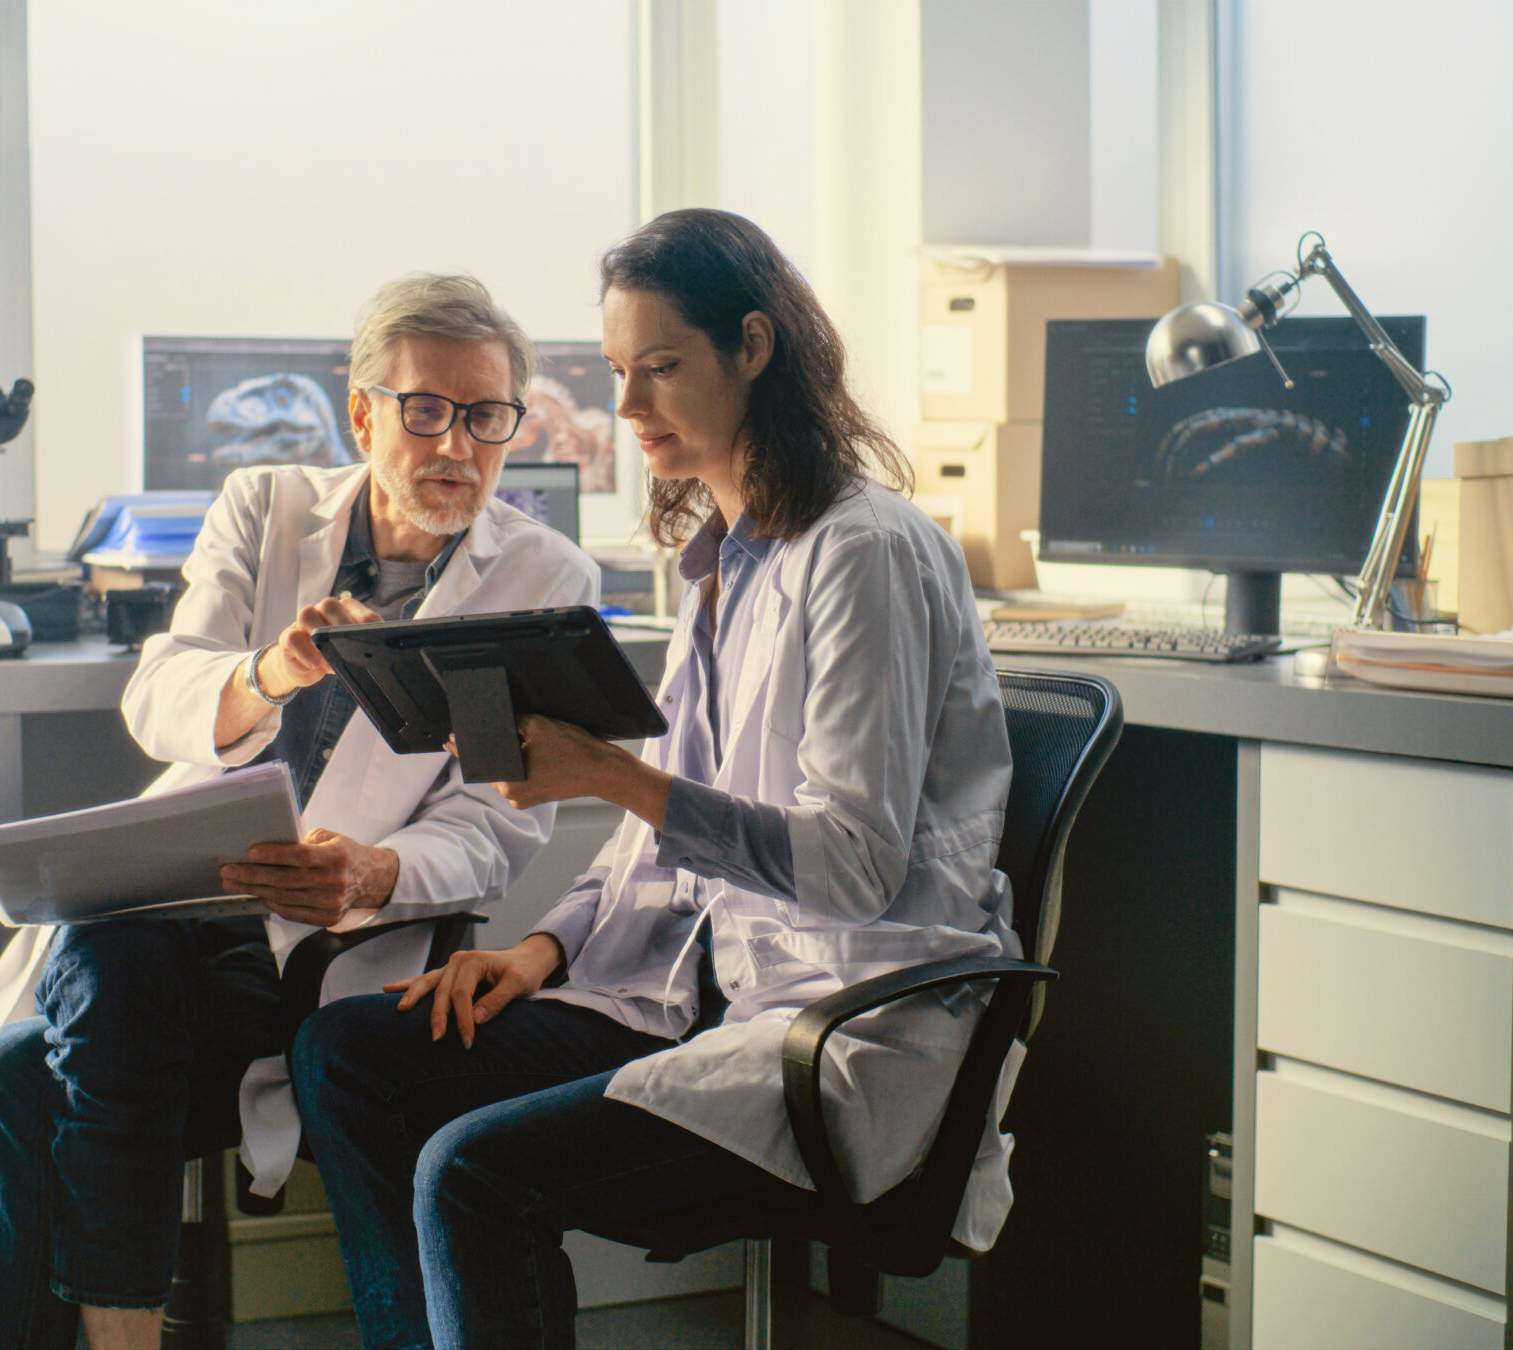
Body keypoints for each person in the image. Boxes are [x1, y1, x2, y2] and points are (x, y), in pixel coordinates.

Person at [293, 209, 1019, 1350]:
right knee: (350, 1057)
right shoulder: (722, 560)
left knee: (471, 1172)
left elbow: (854, 866)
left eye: (660, 370)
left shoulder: (862, 555)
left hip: (829, 1024)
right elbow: (654, 855)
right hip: (704, 990)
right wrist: (539, 953)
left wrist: (610, 778)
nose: (625, 410)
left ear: (754, 348)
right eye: (619, 374)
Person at [0, 273, 601, 1350]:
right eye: (425, 410)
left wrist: (376, 872)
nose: (456, 443)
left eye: (485, 416)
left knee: (16, 1073)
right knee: (103, 960)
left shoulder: (544, 574)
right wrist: (267, 675)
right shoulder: (268, 507)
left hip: (330, 952)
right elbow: (157, 693)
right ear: (364, 412)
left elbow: (499, 825)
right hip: (193, 909)